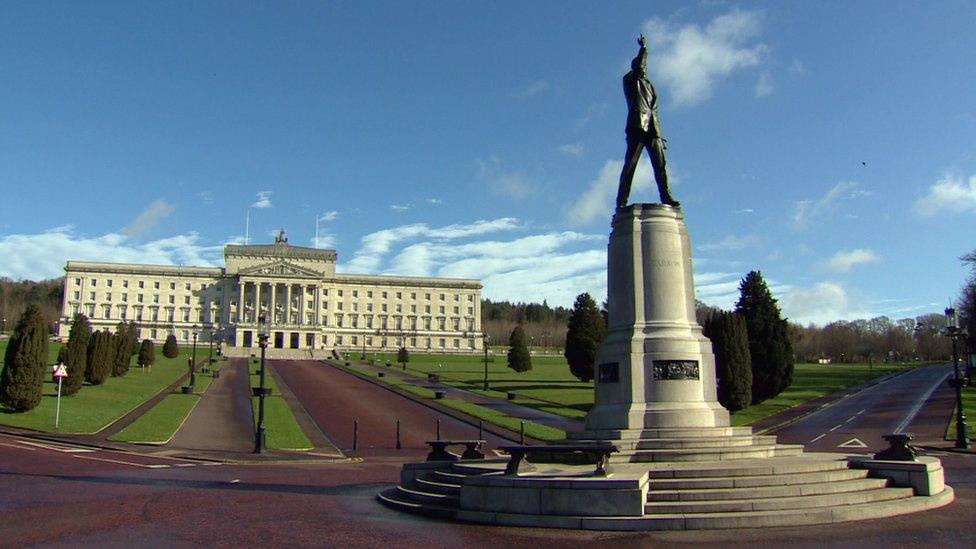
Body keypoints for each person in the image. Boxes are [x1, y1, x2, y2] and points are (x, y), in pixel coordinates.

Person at [615, 34, 679, 209]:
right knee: (630, 166)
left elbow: (654, 111)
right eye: (641, 66)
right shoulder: (629, 81)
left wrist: (659, 134)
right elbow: (638, 66)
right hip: (637, 128)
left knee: (661, 166)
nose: (644, 69)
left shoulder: (650, 86)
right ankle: (621, 202)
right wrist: (643, 49)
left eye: (645, 67)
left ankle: (666, 196)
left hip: (653, 131)